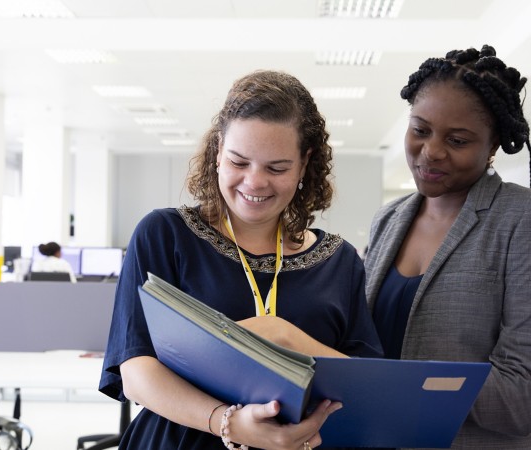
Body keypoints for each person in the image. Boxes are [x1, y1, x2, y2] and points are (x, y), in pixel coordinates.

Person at [99, 70, 383, 450]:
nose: (254, 182)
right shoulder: (165, 235)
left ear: (304, 163)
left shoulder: (340, 261)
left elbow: (367, 385)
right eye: (239, 162)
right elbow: (136, 371)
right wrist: (228, 423)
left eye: (277, 168)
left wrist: (283, 336)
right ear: (218, 152)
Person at [364, 44, 531, 448]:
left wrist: (391, 382)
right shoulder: (388, 220)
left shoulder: (530, 219)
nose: (430, 152)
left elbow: (523, 397)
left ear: (492, 146)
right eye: (420, 130)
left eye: (458, 140)